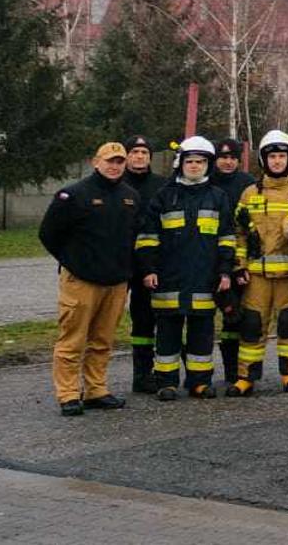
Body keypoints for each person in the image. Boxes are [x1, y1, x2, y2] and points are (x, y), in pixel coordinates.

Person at [39, 142, 140, 416]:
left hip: (116, 282)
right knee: (72, 340)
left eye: (119, 161)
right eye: (109, 161)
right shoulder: (73, 195)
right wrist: (73, 262)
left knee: (103, 340)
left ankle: (96, 390)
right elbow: (49, 234)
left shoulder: (130, 196)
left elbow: (133, 237)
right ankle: (69, 394)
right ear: (96, 162)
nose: (114, 166)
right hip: (81, 281)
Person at [134, 136, 238, 400]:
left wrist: (225, 271)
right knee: (167, 333)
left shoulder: (218, 197)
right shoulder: (164, 197)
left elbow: (227, 238)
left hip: (205, 278)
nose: (195, 166)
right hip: (169, 278)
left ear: (208, 165)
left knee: (202, 333)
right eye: (190, 161)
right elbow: (148, 237)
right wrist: (149, 270)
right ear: (181, 164)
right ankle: (166, 382)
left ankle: (199, 382)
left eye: (201, 162)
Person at [227, 130, 288, 397]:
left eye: (282, 156)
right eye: (272, 156)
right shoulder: (249, 194)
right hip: (256, 276)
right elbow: (239, 233)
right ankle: (246, 377)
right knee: (252, 326)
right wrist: (239, 265)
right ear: (264, 160)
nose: (277, 161)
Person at [120, 134, 169, 393]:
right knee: (112, 319)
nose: (139, 157)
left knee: (148, 318)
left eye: (144, 153)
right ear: (126, 156)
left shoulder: (162, 185)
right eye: (135, 152)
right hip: (121, 262)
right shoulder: (115, 184)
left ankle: (146, 373)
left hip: (151, 264)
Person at [209, 137, 256, 386]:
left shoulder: (248, 185)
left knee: (234, 315)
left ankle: (233, 369)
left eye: (232, 158)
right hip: (208, 258)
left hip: (237, 259)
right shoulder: (207, 182)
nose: (227, 162)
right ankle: (197, 372)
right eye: (223, 157)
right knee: (202, 317)